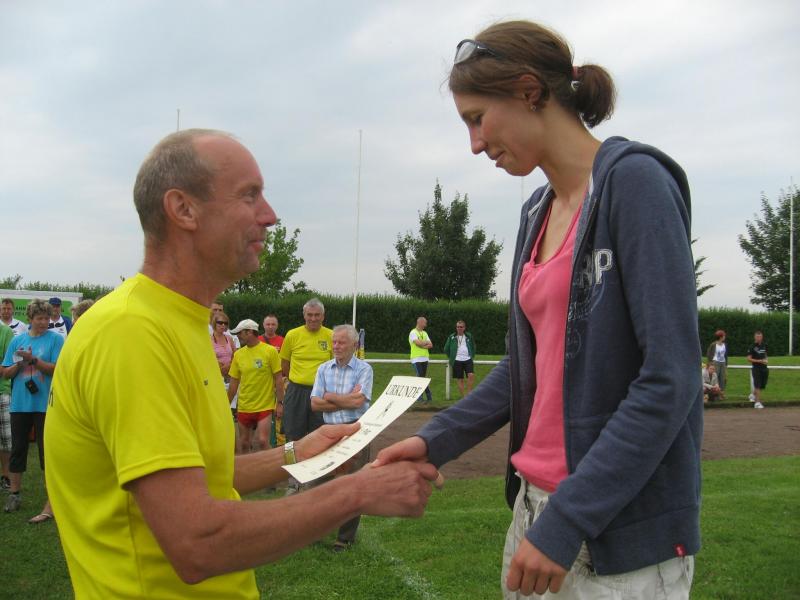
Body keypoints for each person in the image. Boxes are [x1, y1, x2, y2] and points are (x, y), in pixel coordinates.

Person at [376, 21, 702, 599]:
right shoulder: (536, 211)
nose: (475, 144)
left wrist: (569, 519)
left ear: (530, 91)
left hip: (613, 529)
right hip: (533, 510)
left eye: (477, 118)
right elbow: (525, 366)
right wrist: (437, 439)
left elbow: (669, 379)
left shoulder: (636, 184)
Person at [44, 129, 438, 599]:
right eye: (250, 195)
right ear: (183, 209)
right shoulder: (131, 332)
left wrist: (298, 452)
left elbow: (206, 475)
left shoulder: (179, 323)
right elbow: (197, 542)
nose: (269, 215)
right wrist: (357, 491)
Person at [311, 324, 373, 552]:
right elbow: (315, 404)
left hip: (355, 430)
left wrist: (329, 396)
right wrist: (344, 398)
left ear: (354, 345)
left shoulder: (364, 369)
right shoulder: (323, 369)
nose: (336, 346)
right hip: (328, 431)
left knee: (353, 484)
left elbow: (358, 402)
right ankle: (313, 530)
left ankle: (344, 538)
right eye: (334, 342)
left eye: (341, 342)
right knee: (317, 481)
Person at [1, 299, 64, 522]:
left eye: (46, 318)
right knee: (18, 449)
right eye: (39, 318)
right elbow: (5, 372)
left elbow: (56, 369)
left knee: (47, 453)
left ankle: (52, 499)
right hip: (20, 404)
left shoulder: (56, 339)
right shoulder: (18, 340)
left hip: (46, 406)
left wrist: (33, 360)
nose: (44, 322)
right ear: (30, 319)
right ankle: (14, 494)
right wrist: (19, 364)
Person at [279, 298, 332, 442]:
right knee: (293, 435)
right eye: (310, 314)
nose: (313, 318)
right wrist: (295, 379)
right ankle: (291, 458)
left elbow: (335, 365)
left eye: (317, 315)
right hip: (296, 391)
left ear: (323, 316)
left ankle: (318, 458)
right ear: (304, 315)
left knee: (321, 436)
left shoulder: (331, 335)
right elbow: (285, 363)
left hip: (321, 393)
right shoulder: (292, 335)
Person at [228, 318, 284, 453]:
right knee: (244, 443)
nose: (238, 336)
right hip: (244, 405)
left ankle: (271, 465)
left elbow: (278, 378)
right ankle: (248, 466)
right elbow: (234, 382)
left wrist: (280, 403)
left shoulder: (270, 351)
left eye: (240, 333)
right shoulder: (238, 355)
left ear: (249, 332)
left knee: (263, 441)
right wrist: (226, 404)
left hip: (265, 405)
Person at [443, 320, 476, 397]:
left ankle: (469, 395)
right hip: (457, 360)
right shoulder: (451, 337)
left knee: (471, 375)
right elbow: (446, 349)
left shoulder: (469, 336)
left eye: (461, 327)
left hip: (468, 359)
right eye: (457, 327)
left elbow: (473, 346)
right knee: (460, 379)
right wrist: (451, 357)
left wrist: (472, 356)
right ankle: (464, 397)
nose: (459, 328)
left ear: (464, 328)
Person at [408, 316, 434, 404]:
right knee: (421, 377)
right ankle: (423, 396)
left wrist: (422, 344)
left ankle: (427, 396)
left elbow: (431, 345)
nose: (425, 325)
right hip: (416, 359)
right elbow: (418, 343)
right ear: (420, 322)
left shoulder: (425, 333)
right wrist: (425, 343)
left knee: (422, 378)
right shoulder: (413, 332)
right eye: (425, 323)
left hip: (425, 358)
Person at [0, 322, 12, 490]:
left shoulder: (6, 332)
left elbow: (7, 365)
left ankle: (6, 477)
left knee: (5, 440)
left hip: (2, 390)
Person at [747, 330, 768, 410]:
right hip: (756, 368)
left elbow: (765, 354)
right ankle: (757, 403)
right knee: (757, 385)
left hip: (764, 368)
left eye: (760, 336)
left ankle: (752, 395)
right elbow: (749, 359)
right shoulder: (752, 346)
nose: (759, 338)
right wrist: (759, 361)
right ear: (755, 337)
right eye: (757, 336)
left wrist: (766, 359)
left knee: (762, 385)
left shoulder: (764, 345)